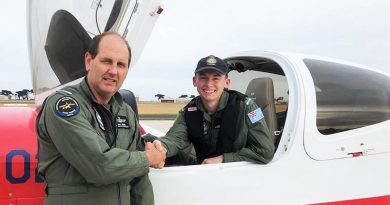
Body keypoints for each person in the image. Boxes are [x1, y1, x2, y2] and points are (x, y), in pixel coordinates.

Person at [36, 32, 166, 205]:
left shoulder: (125, 112)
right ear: (89, 61)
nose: (113, 71)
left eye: (121, 64)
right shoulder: (64, 105)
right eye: (107, 61)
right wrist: (149, 158)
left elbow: (138, 180)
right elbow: (100, 166)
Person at [154, 55, 275, 165]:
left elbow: (265, 151)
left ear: (226, 82)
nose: (209, 84)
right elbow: (175, 138)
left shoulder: (247, 107)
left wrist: (223, 159)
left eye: (216, 78)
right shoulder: (189, 112)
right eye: (203, 78)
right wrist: (161, 147)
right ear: (194, 81)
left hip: (237, 174)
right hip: (203, 172)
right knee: (150, 141)